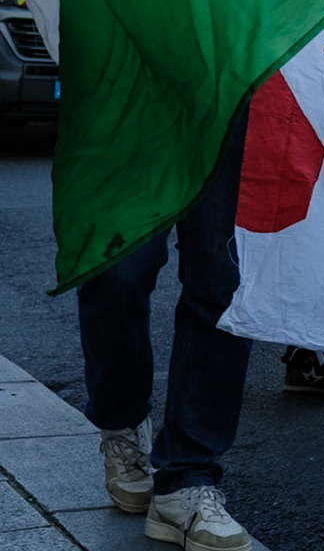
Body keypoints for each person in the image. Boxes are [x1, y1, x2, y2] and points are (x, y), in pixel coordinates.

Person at [79, 103, 256, 551]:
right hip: (134, 80)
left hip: (232, 85)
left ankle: (188, 474)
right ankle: (121, 421)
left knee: (222, 281)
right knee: (116, 271)